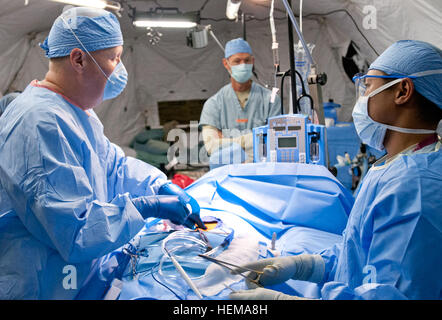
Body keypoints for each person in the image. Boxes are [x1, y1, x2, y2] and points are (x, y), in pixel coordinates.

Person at [0, 7, 205, 300]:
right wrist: (145, 207)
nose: (119, 69)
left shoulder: (74, 111)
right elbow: (75, 231)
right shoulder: (41, 122)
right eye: (114, 58)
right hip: (40, 285)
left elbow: (112, 166)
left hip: (72, 277)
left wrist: (158, 185)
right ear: (79, 59)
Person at [229, 40, 442, 300]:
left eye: (368, 85)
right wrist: (303, 265)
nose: (363, 97)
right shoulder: (395, 166)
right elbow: (361, 255)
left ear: (402, 91)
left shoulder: (416, 189)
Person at [199, 38, 281, 164]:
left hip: (263, 171)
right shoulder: (214, 104)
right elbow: (212, 146)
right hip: (227, 174)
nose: (243, 65)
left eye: (247, 60)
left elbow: (276, 140)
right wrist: (254, 139)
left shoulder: (271, 100)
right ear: (226, 64)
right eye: (237, 61)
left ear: (252, 62)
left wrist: (227, 142)